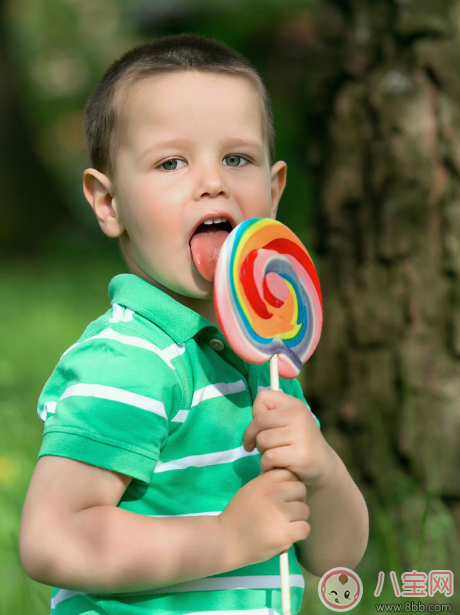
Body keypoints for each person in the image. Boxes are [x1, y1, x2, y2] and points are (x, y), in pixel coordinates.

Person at [19, 33, 369, 615]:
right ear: (108, 204)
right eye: (171, 162)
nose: (213, 182)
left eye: (237, 158)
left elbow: (338, 558)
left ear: (274, 191)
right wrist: (226, 539)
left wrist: (323, 471)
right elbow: (52, 539)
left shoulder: (266, 361)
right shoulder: (129, 361)